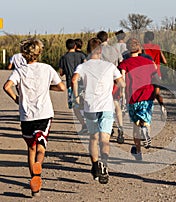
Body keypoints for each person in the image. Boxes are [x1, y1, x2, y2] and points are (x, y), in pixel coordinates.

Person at [3, 38, 66, 197]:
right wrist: (47, 87)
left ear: (24, 54)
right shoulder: (47, 68)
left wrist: (17, 99)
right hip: (44, 113)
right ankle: (39, 165)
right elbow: (61, 87)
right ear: (39, 52)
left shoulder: (19, 71)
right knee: (41, 147)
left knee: (31, 147)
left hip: (26, 115)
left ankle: (34, 183)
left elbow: (7, 86)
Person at [71, 37, 125, 184]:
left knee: (93, 138)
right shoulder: (109, 66)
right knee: (105, 139)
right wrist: (120, 85)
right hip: (106, 106)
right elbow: (121, 83)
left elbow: (74, 79)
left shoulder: (83, 66)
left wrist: (76, 96)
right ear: (100, 50)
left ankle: (94, 165)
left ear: (88, 50)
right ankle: (104, 164)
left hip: (90, 107)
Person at [119, 38, 159, 160]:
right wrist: (157, 92)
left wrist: (122, 95)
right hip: (148, 94)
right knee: (146, 119)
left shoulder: (124, 64)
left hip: (133, 96)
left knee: (135, 125)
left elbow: (122, 81)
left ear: (127, 49)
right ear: (139, 48)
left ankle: (138, 151)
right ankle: (146, 129)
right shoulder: (148, 62)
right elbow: (156, 77)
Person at [97, 31, 125, 143]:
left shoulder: (98, 51)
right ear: (107, 39)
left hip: (103, 81)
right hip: (114, 79)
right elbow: (121, 62)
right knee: (116, 104)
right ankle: (121, 128)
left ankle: (109, 127)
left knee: (104, 105)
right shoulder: (115, 49)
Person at [59, 38, 87, 134]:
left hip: (71, 83)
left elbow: (61, 73)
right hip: (83, 83)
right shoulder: (81, 55)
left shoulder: (64, 58)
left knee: (75, 107)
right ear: (75, 46)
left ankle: (84, 124)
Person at [143, 31, 168, 121]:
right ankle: (162, 107)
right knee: (157, 93)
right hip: (157, 73)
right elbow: (165, 61)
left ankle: (146, 113)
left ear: (146, 38)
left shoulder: (143, 47)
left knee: (146, 93)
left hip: (146, 74)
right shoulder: (157, 48)